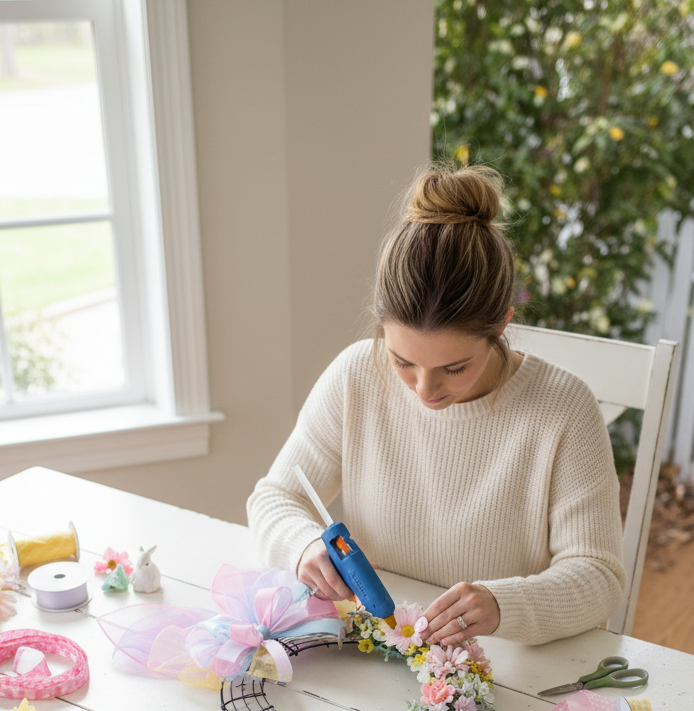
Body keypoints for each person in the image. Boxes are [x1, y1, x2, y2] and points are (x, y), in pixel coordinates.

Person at [247, 163, 625, 647]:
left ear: (501, 325)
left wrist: (502, 604)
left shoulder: (564, 409)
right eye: (403, 360)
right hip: (375, 650)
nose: (425, 391)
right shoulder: (356, 374)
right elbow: (274, 498)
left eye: (454, 368)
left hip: (504, 669)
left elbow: (599, 575)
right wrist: (301, 547)